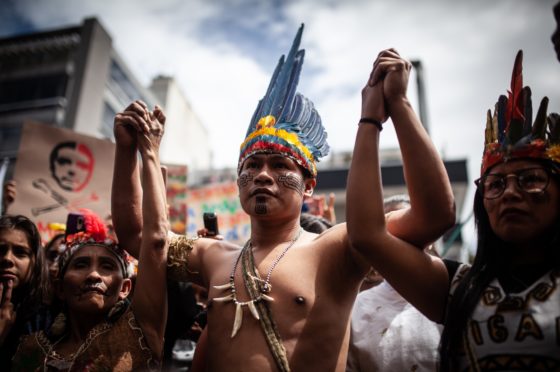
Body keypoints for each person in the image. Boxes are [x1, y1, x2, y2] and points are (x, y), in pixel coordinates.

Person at [112, 26, 454, 371]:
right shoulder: (212, 256)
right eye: (252, 165)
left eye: (280, 165)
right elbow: (139, 238)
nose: (262, 174)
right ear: (239, 183)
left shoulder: (337, 249)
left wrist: (397, 106)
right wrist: (126, 152)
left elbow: (433, 216)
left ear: (308, 186)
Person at [347, 49, 560, 371]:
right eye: (496, 184)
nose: (511, 193)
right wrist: (372, 118)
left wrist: (401, 104)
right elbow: (367, 235)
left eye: (531, 180)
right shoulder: (462, 289)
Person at [12, 102, 170, 371]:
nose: (94, 275)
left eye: (107, 266)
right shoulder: (27, 348)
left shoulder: (140, 333)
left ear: (125, 288)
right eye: (81, 264)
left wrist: (140, 151)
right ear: (59, 286)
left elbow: (154, 243)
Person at [346, 195, 442, 372]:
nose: (398, 238)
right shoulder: (357, 308)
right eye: (388, 230)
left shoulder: (455, 295)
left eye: (408, 224)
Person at [0, 214, 49, 370]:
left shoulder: (48, 321)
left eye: (20, 252)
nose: (7, 258)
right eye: (0, 250)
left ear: (35, 262)